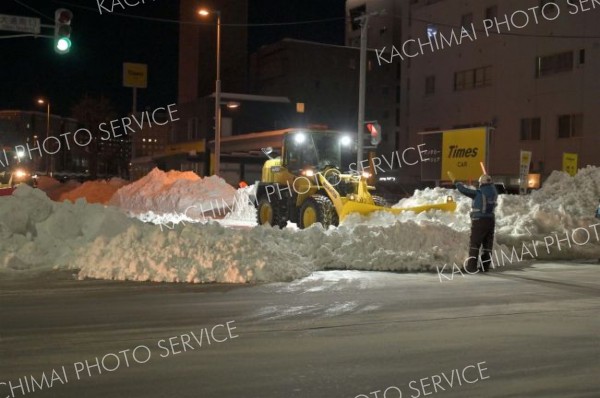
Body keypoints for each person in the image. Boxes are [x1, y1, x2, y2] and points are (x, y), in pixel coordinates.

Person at [455, 175, 498, 273]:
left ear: (481, 183)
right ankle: (485, 266)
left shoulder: (479, 193)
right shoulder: (494, 192)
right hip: (491, 220)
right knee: (487, 245)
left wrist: (457, 183)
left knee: (474, 244)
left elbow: (464, 190)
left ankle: (471, 267)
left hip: (479, 220)